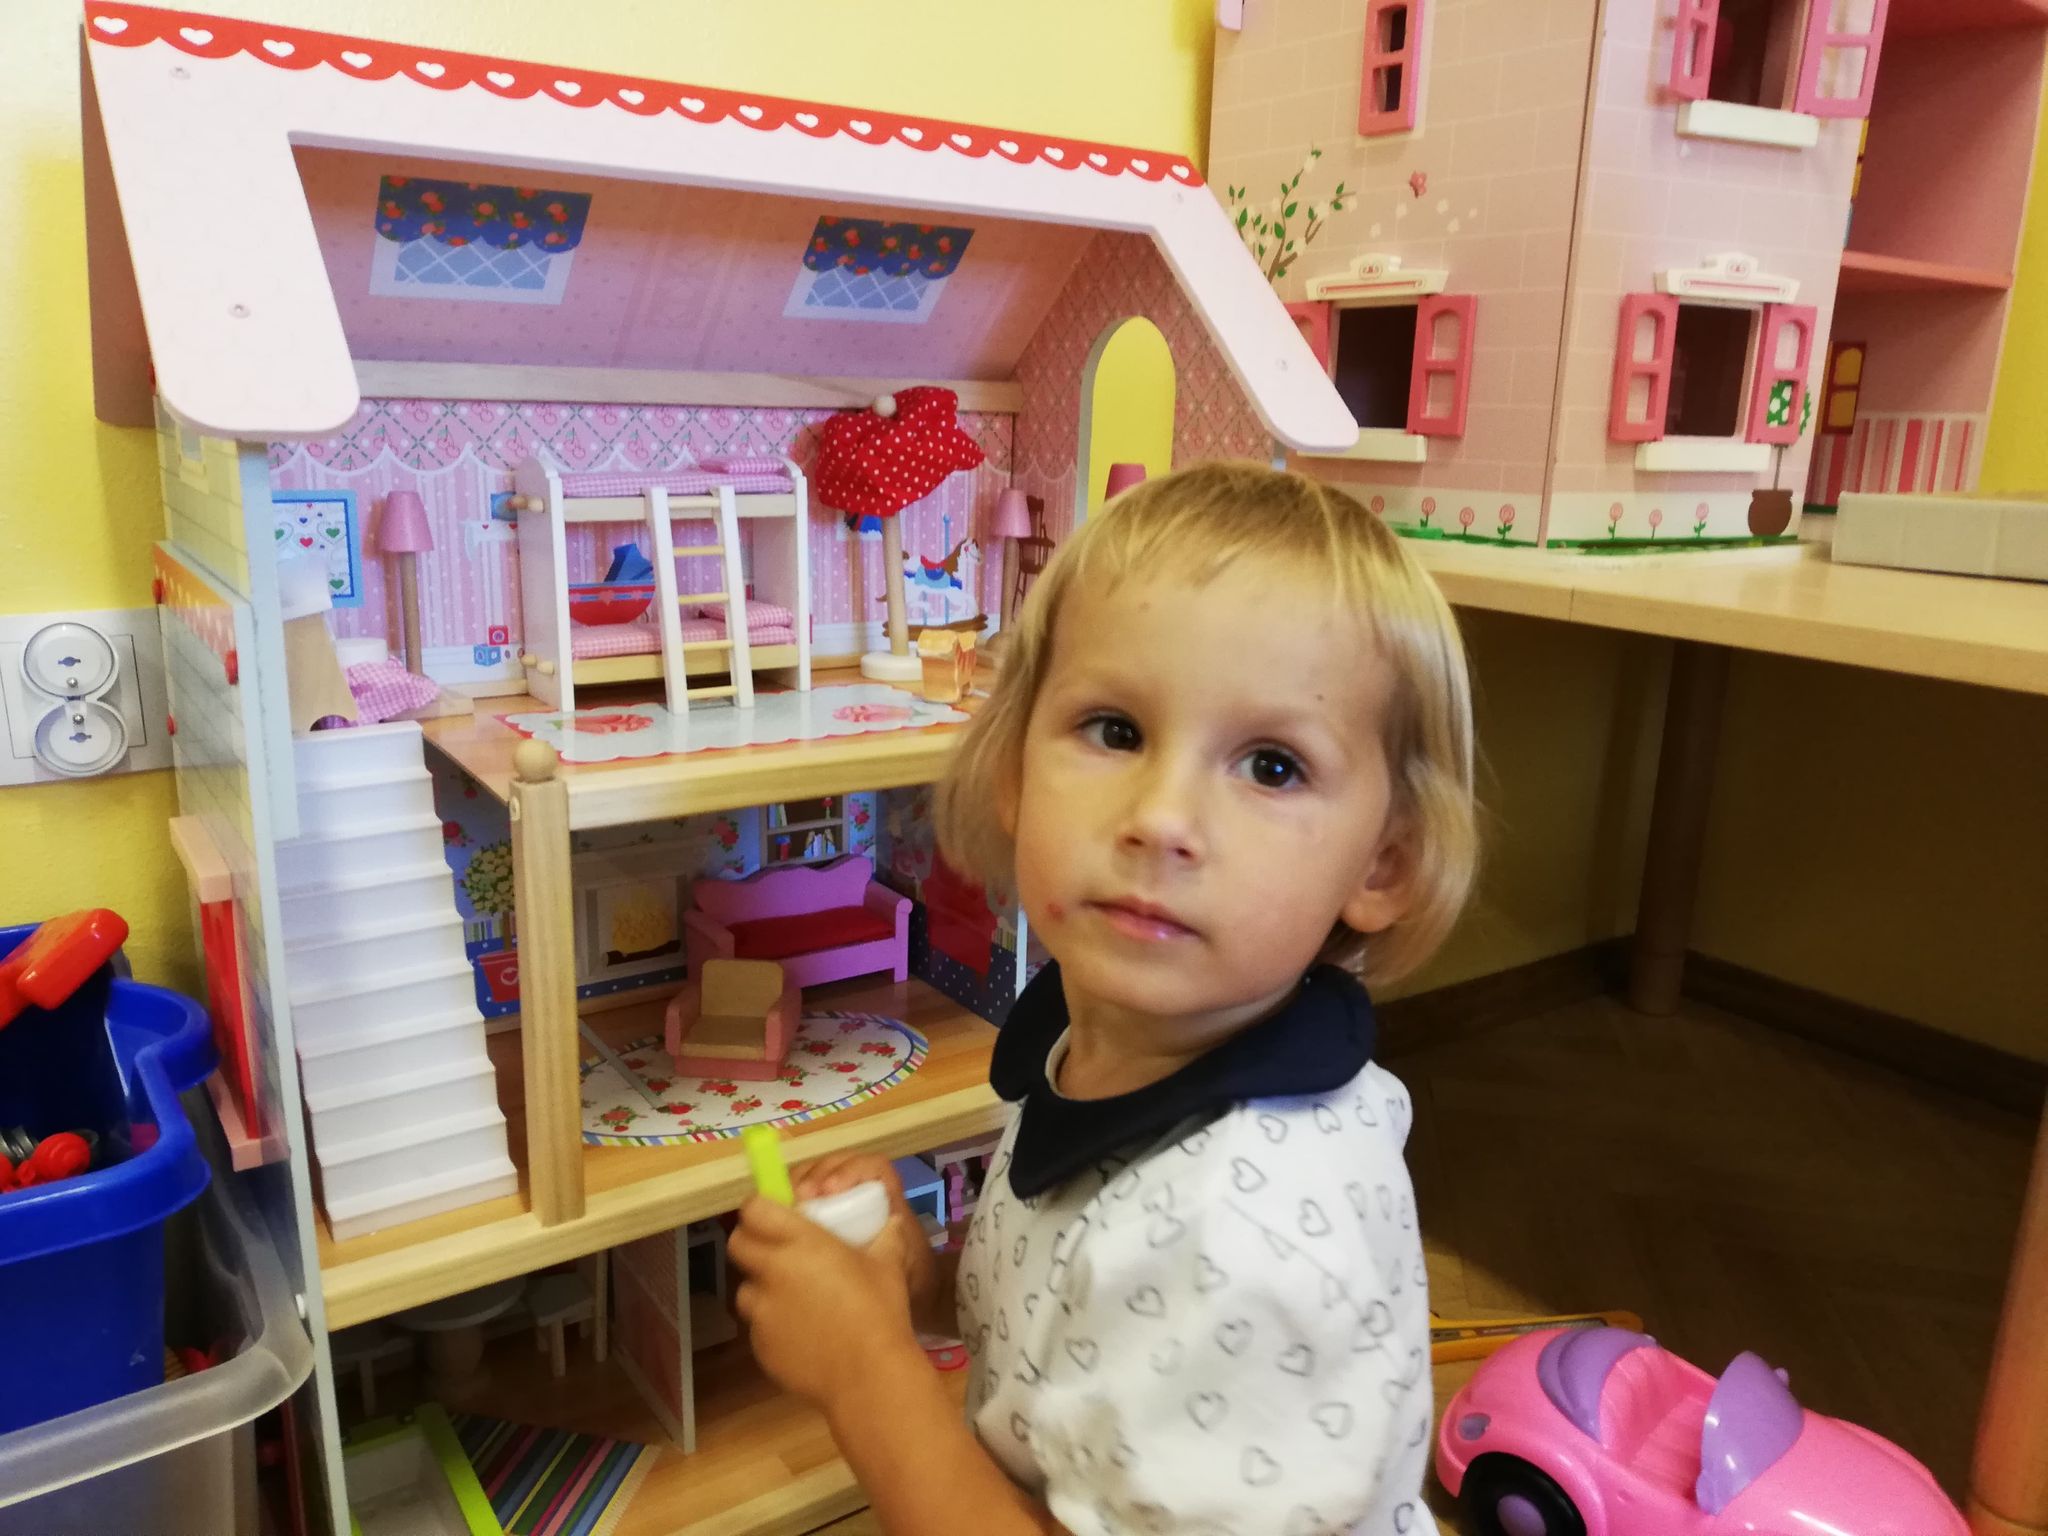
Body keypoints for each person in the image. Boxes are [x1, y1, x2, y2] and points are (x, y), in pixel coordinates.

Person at [731, 462, 1478, 1534]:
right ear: (1013, 772)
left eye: (1271, 766)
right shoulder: (1105, 1044)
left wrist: (865, 1374)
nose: (1161, 818)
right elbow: (1072, 1319)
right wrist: (918, 1281)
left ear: (1383, 864)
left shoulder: (1246, 1241)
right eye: (1116, 730)